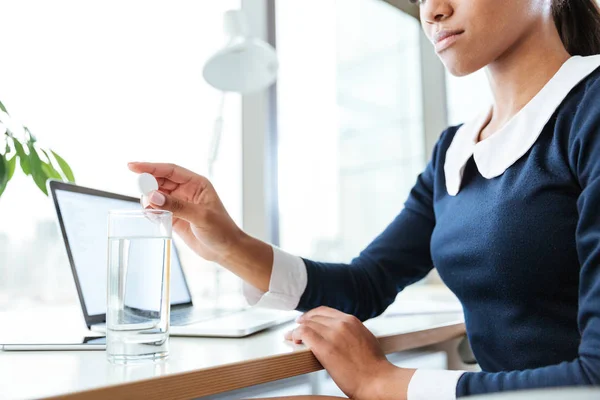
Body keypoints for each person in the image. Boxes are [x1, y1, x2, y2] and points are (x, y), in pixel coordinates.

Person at [128, 0, 600, 398]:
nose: (433, 11)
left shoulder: (590, 112)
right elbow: (367, 284)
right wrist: (228, 242)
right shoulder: (455, 151)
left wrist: (384, 382)